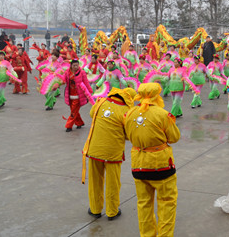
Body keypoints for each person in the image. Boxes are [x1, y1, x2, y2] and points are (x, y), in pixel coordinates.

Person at [124, 83, 181, 237]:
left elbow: (127, 135)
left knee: (143, 204)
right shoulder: (162, 114)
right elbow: (174, 137)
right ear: (157, 95)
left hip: (138, 165)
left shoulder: (129, 114)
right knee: (167, 203)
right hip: (161, 165)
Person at [82, 87, 135, 221]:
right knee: (113, 183)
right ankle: (112, 211)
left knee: (94, 181)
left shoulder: (100, 102)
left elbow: (91, 114)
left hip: (95, 149)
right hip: (113, 153)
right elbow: (129, 135)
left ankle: (95, 209)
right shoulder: (127, 111)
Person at [62, 59, 92, 132]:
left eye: (77, 65)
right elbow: (63, 80)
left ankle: (69, 126)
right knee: (74, 110)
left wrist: (90, 92)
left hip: (78, 95)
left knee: (73, 111)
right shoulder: (67, 72)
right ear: (71, 66)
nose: (76, 67)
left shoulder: (82, 73)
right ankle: (79, 123)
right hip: (70, 94)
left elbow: (86, 83)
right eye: (74, 65)